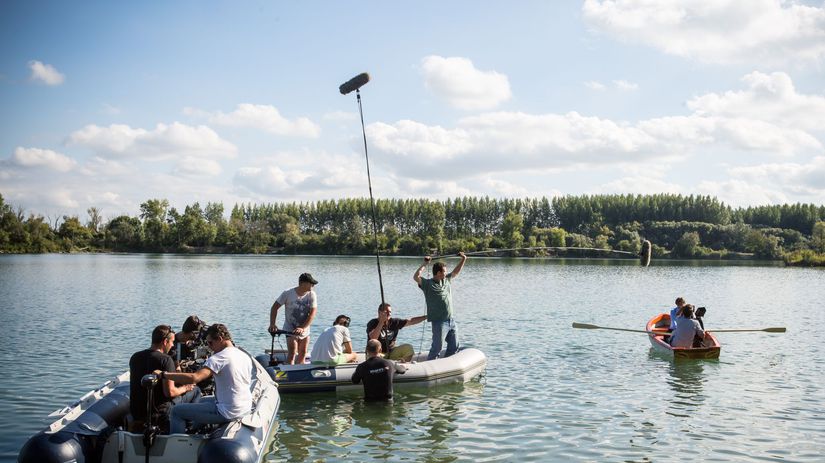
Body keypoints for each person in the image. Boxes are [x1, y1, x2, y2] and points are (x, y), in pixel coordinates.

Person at [158, 324, 253, 434]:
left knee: (176, 411)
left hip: (228, 412)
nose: (209, 347)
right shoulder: (244, 355)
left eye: (210, 343)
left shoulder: (219, 358)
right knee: (201, 401)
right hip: (244, 407)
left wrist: (164, 374)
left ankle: (177, 446)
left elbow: (195, 378)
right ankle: (194, 430)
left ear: (220, 339)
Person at [129, 325, 200, 431]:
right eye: (172, 342)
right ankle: (190, 428)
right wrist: (186, 387)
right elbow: (170, 393)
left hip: (137, 413)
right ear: (165, 342)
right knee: (195, 391)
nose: (172, 346)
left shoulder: (135, 357)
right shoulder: (166, 360)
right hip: (161, 413)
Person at [413, 252, 467, 360]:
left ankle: (449, 366)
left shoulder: (446, 280)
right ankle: (430, 367)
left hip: (451, 320)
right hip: (439, 322)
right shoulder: (427, 284)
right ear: (438, 273)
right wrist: (424, 264)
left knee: (454, 346)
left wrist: (463, 259)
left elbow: (456, 272)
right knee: (437, 348)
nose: (446, 273)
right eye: (444, 272)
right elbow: (416, 277)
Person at [269, 273, 319, 365]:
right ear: (302, 283)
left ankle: (299, 374)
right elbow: (274, 308)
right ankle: (288, 372)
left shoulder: (312, 295)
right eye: (311, 283)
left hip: (305, 329)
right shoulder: (288, 293)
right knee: (292, 353)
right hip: (290, 329)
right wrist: (272, 324)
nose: (313, 286)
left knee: (303, 353)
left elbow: (312, 314)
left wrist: (302, 328)